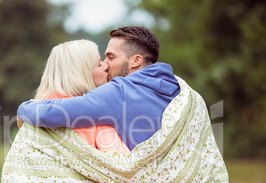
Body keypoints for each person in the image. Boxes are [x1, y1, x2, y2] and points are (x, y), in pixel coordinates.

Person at [17, 26, 180, 151]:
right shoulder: (176, 87)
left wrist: (24, 108)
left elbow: (51, 113)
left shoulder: (118, 92)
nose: (106, 65)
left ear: (136, 60)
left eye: (111, 57)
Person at [26, 39, 130, 154]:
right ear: (80, 73)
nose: (106, 66)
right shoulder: (94, 115)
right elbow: (122, 163)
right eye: (99, 64)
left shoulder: (33, 111)